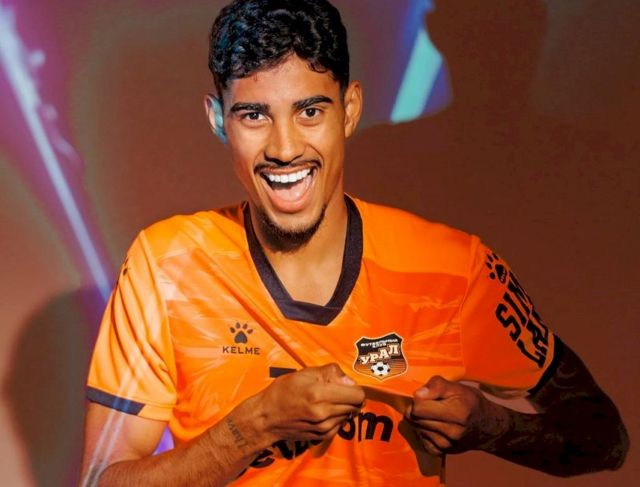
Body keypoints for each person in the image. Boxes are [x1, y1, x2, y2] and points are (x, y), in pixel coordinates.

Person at [80, 0, 628, 485]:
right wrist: (257, 424)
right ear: (219, 119)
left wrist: (491, 427)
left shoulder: (454, 268)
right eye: (254, 115)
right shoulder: (166, 266)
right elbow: (101, 483)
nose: (285, 147)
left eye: (309, 111)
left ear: (350, 110)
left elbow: (602, 437)